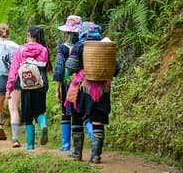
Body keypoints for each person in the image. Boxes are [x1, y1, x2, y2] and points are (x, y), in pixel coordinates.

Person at [64, 22, 119, 163]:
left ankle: (77, 153)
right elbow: (116, 69)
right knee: (98, 120)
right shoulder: (105, 46)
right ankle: (95, 156)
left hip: (83, 88)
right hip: (103, 89)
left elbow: (70, 67)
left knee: (77, 117)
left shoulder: (80, 45)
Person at [6, 26, 51, 150]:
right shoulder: (44, 50)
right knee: (40, 110)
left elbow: (14, 70)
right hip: (41, 85)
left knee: (27, 115)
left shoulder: (20, 50)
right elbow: (43, 67)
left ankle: (30, 145)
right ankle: (43, 125)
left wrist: (9, 88)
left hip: (25, 86)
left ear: (30, 36)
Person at [53, 15, 82, 151]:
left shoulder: (63, 48)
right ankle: (91, 139)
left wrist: (56, 89)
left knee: (66, 112)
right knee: (82, 113)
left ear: (67, 32)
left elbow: (59, 69)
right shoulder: (85, 46)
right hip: (83, 83)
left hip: (67, 83)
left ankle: (66, 144)